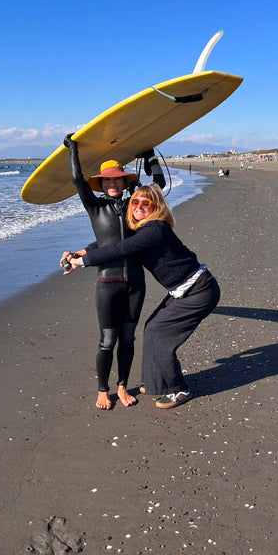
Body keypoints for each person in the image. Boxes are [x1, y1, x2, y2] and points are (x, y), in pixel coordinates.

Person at [61, 184, 218, 409]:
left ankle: (178, 389)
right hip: (184, 290)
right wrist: (80, 253)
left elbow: (121, 249)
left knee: (159, 333)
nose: (139, 207)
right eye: (135, 202)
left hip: (198, 290)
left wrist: (82, 262)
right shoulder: (143, 230)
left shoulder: (155, 229)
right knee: (152, 326)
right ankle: (156, 382)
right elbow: (112, 243)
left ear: (157, 207)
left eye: (146, 203)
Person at [65, 135, 166, 409]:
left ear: (125, 182)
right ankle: (102, 389)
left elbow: (159, 184)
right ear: (101, 184)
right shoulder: (95, 207)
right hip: (107, 283)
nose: (112, 184)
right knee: (108, 340)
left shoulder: (137, 206)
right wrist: (73, 149)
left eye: (117, 179)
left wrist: (150, 157)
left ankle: (122, 387)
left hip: (135, 283)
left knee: (129, 337)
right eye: (107, 180)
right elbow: (77, 181)